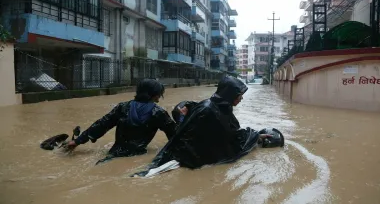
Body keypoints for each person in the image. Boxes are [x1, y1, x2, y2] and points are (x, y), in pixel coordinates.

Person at [133, 76, 279, 176]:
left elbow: (230, 132)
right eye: (240, 94)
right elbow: (230, 136)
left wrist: (255, 136)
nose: (242, 98)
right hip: (183, 159)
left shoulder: (221, 107)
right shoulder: (209, 109)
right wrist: (255, 136)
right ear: (230, 93)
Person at [63, 79, 179, 164]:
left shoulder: (123, 107)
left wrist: (77, 141)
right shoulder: (159, 113)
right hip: (137, 158)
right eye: (159, 94)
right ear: (154, 95)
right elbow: (174, 136)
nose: (160, 97)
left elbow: (102, 124)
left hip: (113, 154)